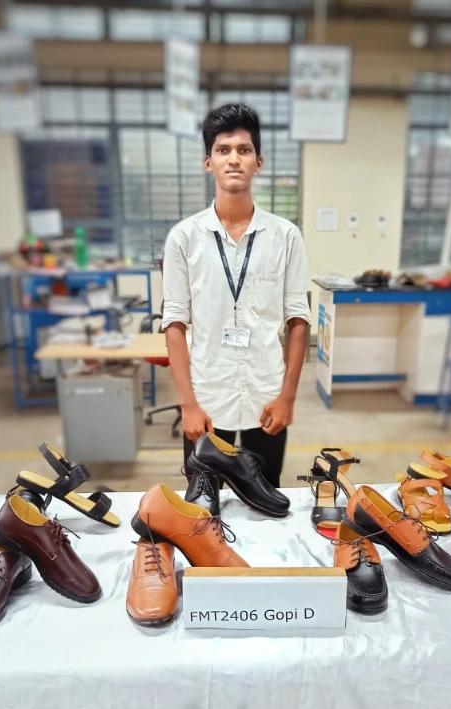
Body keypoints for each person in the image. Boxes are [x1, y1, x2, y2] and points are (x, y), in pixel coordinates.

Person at [161, 103, 311, 487]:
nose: (233, 159)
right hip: (207, 397)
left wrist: (288, 397)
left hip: (267, 395)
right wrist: (188, 404)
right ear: (208, 162)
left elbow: (298, 319)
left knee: (267, 492)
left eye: (243, 150)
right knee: (202, 500)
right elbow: (174, 323)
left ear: (258, 163)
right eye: (223, 150)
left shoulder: (285, 236)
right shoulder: (184, 238)